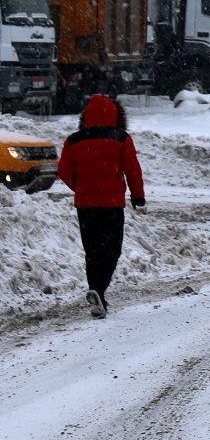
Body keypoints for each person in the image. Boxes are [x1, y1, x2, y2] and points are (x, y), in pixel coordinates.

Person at [56, 95, 145, 319]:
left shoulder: (74, 140)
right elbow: (132, 169)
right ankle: (99, 289)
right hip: (112, 205)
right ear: (116, 115)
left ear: (86, 115)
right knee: (112, 249)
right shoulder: (121, 138)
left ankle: (96, 291)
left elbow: (63, 171)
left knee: (93, 250)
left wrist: (81, 188)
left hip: (85, 206)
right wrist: (138, 196)